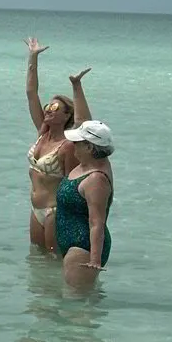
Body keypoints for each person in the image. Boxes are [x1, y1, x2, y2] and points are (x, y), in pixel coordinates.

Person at [24, 37, 92, 252]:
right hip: (36, 209)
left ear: (66, 116)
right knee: (37, 264)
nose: (48, 111)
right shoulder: (42, 132)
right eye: (48, 107)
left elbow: (73, 183)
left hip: (55, 211)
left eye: (55, 109)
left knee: (54, 263)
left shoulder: (69, 145)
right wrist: (33, 57)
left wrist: (76, 86)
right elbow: (30, 93)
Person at [56, 120, 115, 289]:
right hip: (71, 241)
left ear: (90, 147)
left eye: (77, 143)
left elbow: (97, 222)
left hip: (84, 246)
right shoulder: (85, 165)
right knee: (75, 302)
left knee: (76, 306)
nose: (72, 145)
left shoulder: (96, 179)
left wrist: (95, 260)